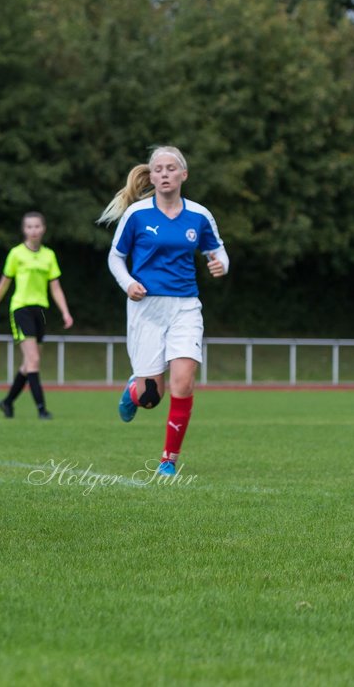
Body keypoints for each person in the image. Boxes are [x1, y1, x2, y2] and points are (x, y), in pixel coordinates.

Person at [97, 146, 228, 476]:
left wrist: (221, 265)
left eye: (172, 168)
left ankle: (168, 460)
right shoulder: (137, 214)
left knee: (183, 383)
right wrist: (128, 283)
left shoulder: (199, 215)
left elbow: (217, 250)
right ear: (151, 176)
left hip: (186, 306)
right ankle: (133, 391)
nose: (165, 174)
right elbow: (115, 257)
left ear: (184, 175)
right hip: (146, 309)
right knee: (151, 398)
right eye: (159, 169)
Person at [0, 212, 73, 420]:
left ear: (43, 229)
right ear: (24, 230)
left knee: (29, 363)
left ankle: (7, 402)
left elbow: (56, 287)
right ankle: (42, 409)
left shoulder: (49, 255)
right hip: (21, 309)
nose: (33, 230)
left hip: (40, 311)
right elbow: (3, 284)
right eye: (29, 227)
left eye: (37, 226)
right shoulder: (16, 254)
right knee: (33, 361)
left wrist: (65, 312)